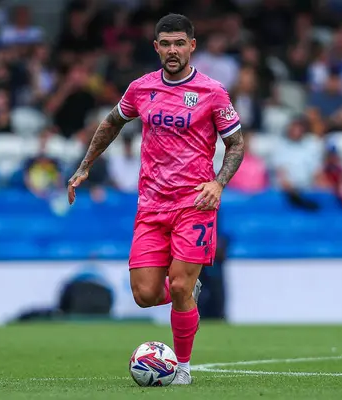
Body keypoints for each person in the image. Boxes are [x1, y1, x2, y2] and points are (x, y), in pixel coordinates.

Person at [66, 14, 244, 385]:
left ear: (192, 46)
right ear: (156, 47)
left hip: (195, 203)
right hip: (150, 205)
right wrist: (85, 166)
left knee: (178, 286)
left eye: (180, 43)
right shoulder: (140, 88)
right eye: (166, 44)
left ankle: (183, 368)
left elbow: (236, 144)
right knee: (145, 295)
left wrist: (219, 183)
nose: (173, 50)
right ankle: (186, 288)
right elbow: (112, 122)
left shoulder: (213, 92)